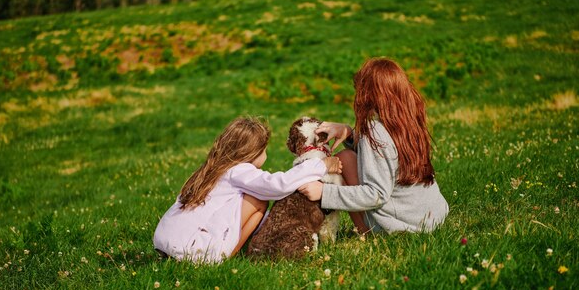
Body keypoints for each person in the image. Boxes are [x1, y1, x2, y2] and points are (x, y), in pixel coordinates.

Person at [153, 117, 342, 263]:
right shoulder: (238, 170)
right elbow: (277, 185)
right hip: (193, 251)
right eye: (264, 150)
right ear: (253, 152)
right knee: (258, 200)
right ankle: (225, 257)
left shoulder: (211, 169)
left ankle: (222, 249)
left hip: (167, 240)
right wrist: (321, 165)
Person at [298, 57, 449, 234]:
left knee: (342, 159)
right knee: (347, 157)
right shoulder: (409, 120)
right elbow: (387, 157)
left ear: (367, 95)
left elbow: (376, 194)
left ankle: (366, 232)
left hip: (404, 226)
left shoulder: (375, 131)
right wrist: (349, 133)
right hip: (431, 216)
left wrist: (325, 192)